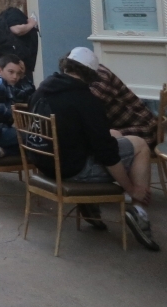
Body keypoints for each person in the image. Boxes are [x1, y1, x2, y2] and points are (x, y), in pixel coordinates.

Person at [29, 47, 158, 250]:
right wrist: (131, 188)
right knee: (140, 145)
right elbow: (107, 155)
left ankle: (89, 206)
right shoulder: (86, 101)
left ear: (66, 66)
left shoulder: (42, 90)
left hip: (45, 164)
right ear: (90, 75)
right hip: (73, 170)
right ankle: (139, 212)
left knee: (114, 134)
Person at [90, 62, 158, 150]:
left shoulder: (101, 79)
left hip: (142, 130)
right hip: (128, 127)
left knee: (95, 140)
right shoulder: (92, 68)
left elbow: (84, 102)